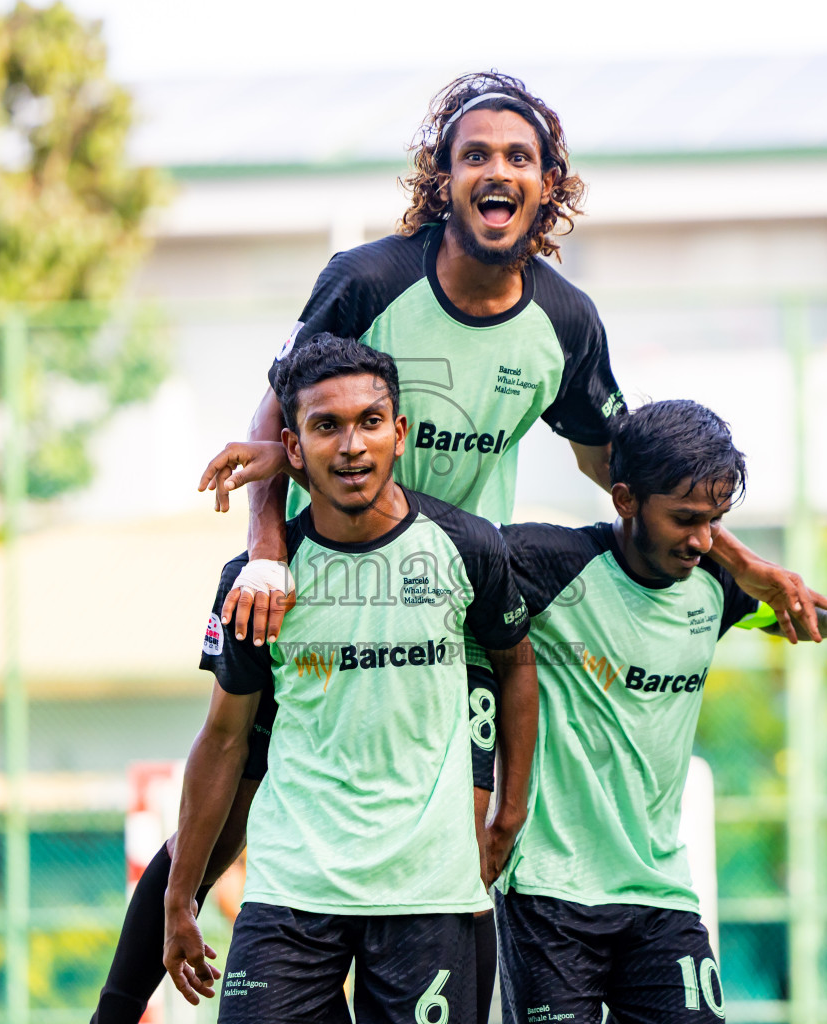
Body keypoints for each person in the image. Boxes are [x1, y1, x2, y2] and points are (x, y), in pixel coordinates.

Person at [92, 70, 827, 1024]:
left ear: (548, 182)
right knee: (236, 787)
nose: (497, 170)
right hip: (330, 579)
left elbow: (633, 475)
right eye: (474, 154)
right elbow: (284, 416)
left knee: (457, 840)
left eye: (518, 156)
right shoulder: (368, 281)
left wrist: (743, 563)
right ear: (441, 178)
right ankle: (119, 1005)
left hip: (456, 597)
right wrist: (271, 551)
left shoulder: (564, 322)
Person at [164, 335, 537, 1023]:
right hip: (291, 894)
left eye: (369, 421)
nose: (353, 446)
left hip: (428, 895)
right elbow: (222, 740)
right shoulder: (254, 589)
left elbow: (516, 668)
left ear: (399, 432)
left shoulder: (467, 547)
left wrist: (508, 814)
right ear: (293, 448)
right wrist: (179, 895)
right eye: (326, 426)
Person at [492, 399, 827, 1023]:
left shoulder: (715, 586)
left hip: (661, 893)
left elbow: (787, 609)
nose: (703, 540)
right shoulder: (547, 564)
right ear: (625, 500)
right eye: (684, 519)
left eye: (716, 521)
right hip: (552, 892)